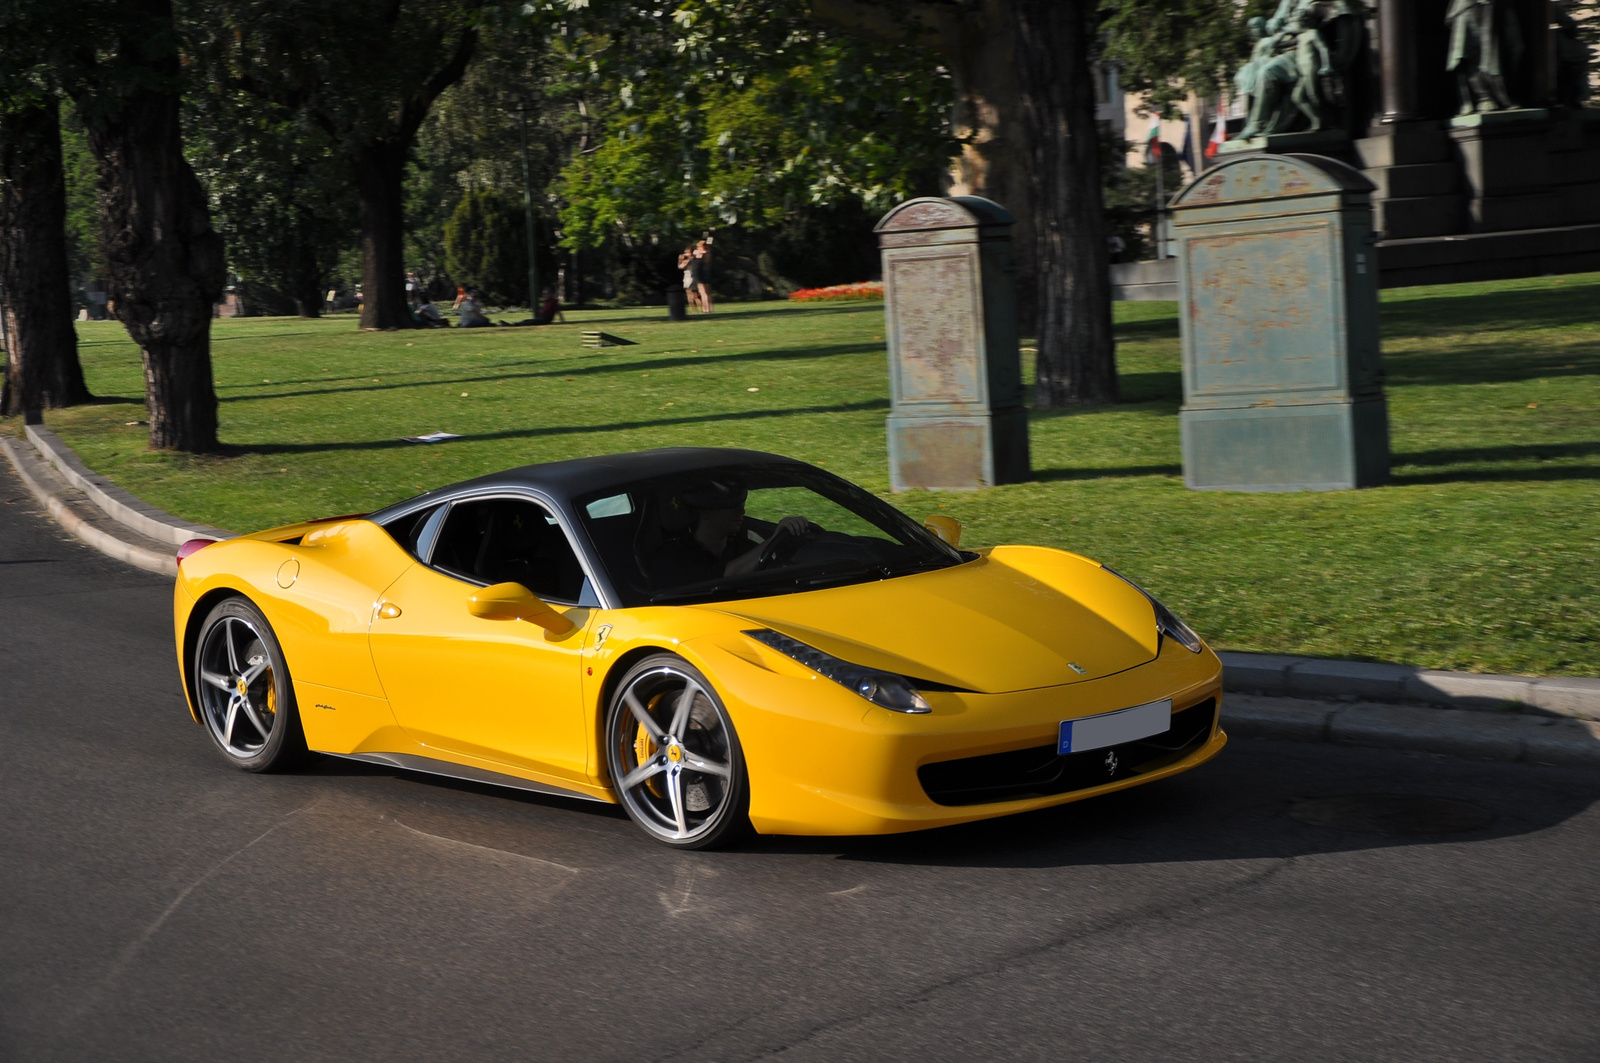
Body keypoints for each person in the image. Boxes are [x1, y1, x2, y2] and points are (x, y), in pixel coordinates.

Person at [648, 480, 810, 587]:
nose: (742, 511)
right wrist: (772, 539)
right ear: (706, 511)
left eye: (741, 504)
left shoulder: (744, 547)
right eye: (731, 506)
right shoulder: (672, 560)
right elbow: (724, 577)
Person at [689, 238, 713, 314]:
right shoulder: (708, 252)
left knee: (703, 292)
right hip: (707, 272)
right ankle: (710, 308)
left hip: (700, 273)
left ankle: (705, 308)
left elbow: (697, 260)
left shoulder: (700, 253)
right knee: (708, 292)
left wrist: (696, 253)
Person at [677, 247, 701, 312]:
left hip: (688, 278)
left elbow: (680, 267)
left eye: (687, 253)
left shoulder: (688, 261)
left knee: (690, 296)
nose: (685, 254)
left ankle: (694, 310)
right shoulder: (696, 260)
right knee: (696, 295)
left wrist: (680, 259)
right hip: (695, 277)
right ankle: (702, 308)